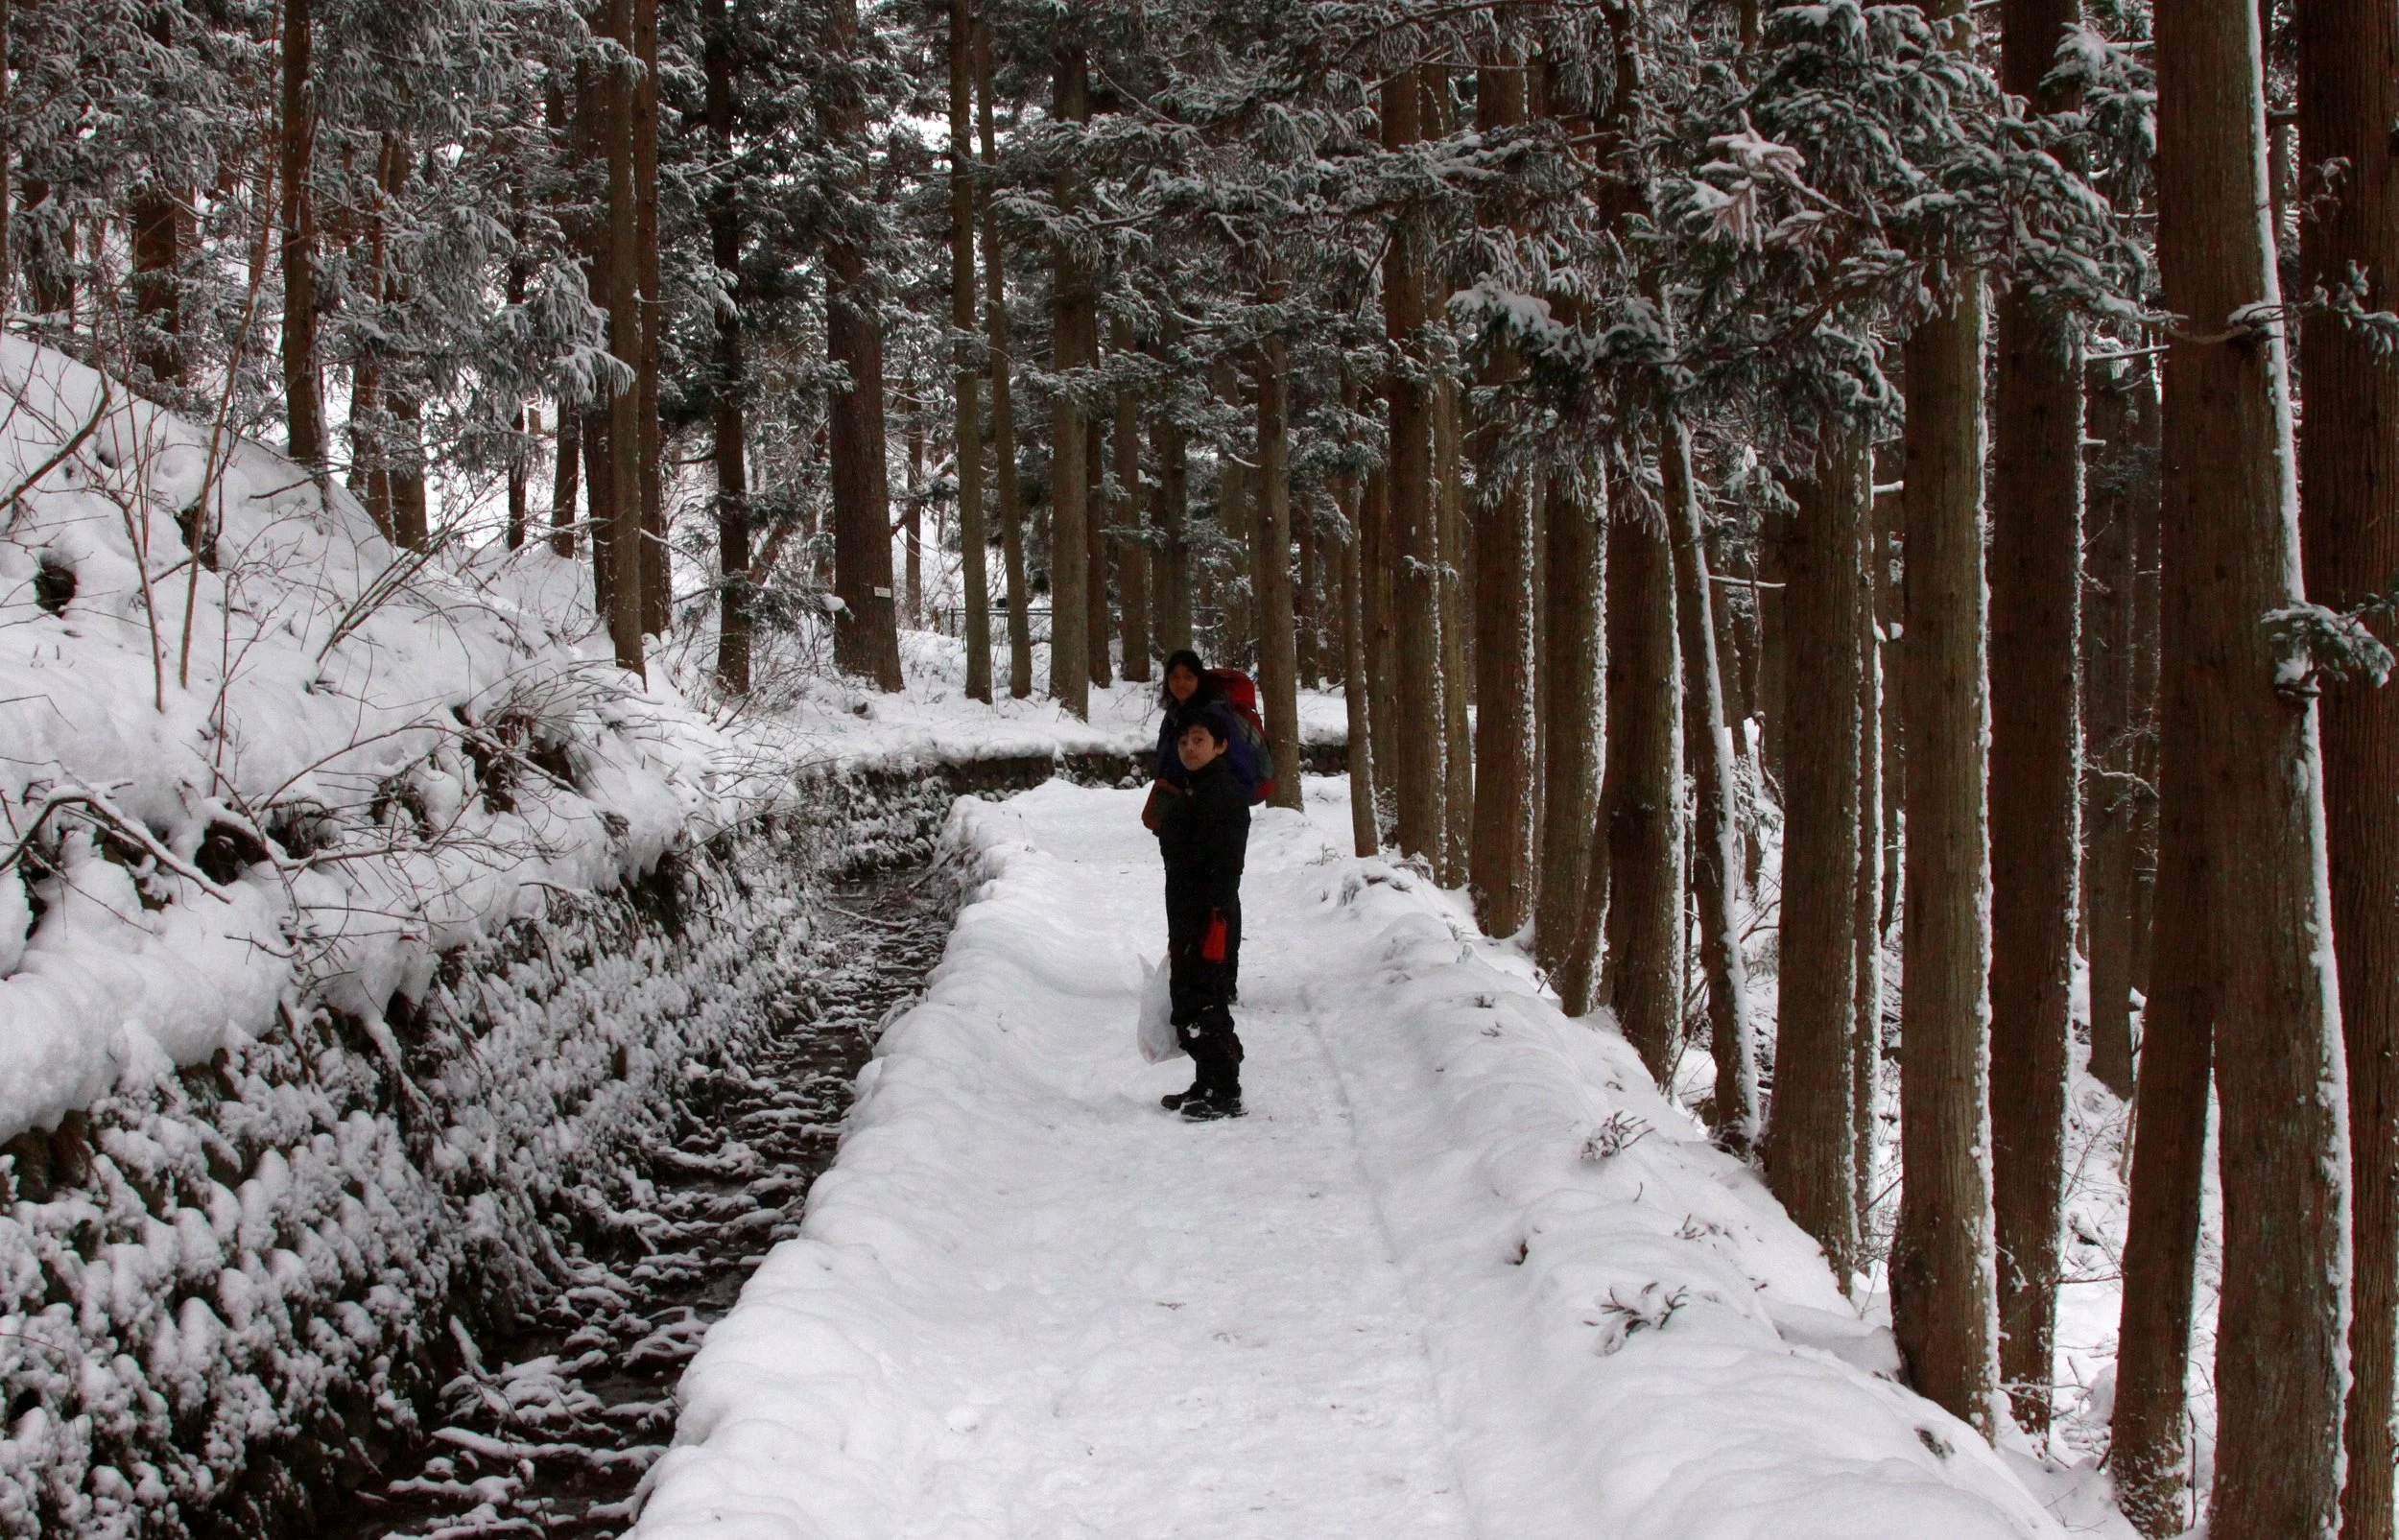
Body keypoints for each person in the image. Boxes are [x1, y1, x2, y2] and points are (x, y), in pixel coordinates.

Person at [1152, 709, 1250, 1121]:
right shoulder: (1197, 786)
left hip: (1206, 914)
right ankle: (1209, 1079)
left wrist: (1213, 918)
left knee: (1198, 1002)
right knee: (1195, 996)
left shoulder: (1221, 793)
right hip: (1189, 909)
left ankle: (1224, 1089)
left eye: (1199, 740)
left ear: (1220, 745)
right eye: (1183, 742)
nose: (1189, 748)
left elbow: (1222, 863)